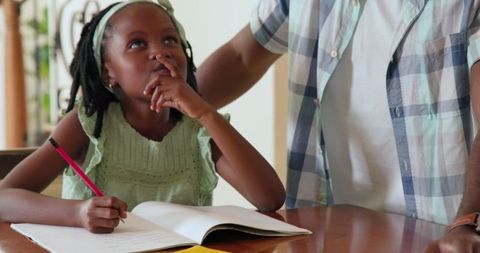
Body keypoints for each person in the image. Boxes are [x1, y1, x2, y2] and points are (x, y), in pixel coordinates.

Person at [196, 0, 480, 251]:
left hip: (437, 234)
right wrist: (164, 99)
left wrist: (467, 220)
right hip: (328, 234)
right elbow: (241, 57)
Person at [0, 0, 285, 234]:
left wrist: (206, 112)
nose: (161, 52)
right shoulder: (85, 125)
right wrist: (77, 213)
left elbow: (269, 198)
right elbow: (4, 198)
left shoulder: (197, 128)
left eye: (170, 40)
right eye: (137, 44)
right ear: (107, 72)